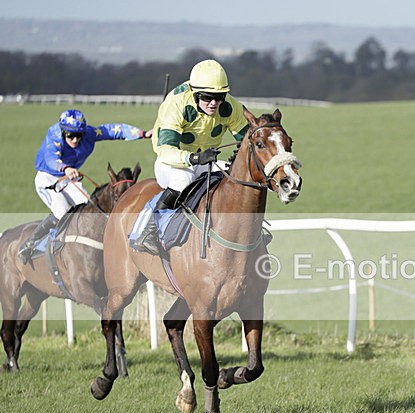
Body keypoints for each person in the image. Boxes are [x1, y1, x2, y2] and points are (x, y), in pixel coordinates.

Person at [131, 59, 250, 255]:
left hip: (205, 161)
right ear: (195, 94)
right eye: (207, 97)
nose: (214, 103)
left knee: (234, 176)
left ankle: (247, 229)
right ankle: (148, 230)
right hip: (171, 163)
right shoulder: (177, 105)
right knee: (183, 178)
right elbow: (166, 150)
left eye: (219, 97)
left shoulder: (230, 107)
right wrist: (194, 159)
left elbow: (248, 141)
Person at [18, 109, 152, 264]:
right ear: (63, 132)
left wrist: (142, 134)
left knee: (89, 210)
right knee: (62, 210)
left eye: (79, 135)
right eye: (70, 136)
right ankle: (31, 244)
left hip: (69, 178)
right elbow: (50, 158)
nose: (75, 140)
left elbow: (114, 130)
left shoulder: (89, 133)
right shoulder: (53, 135)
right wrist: (65, 168)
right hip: (48, 178)